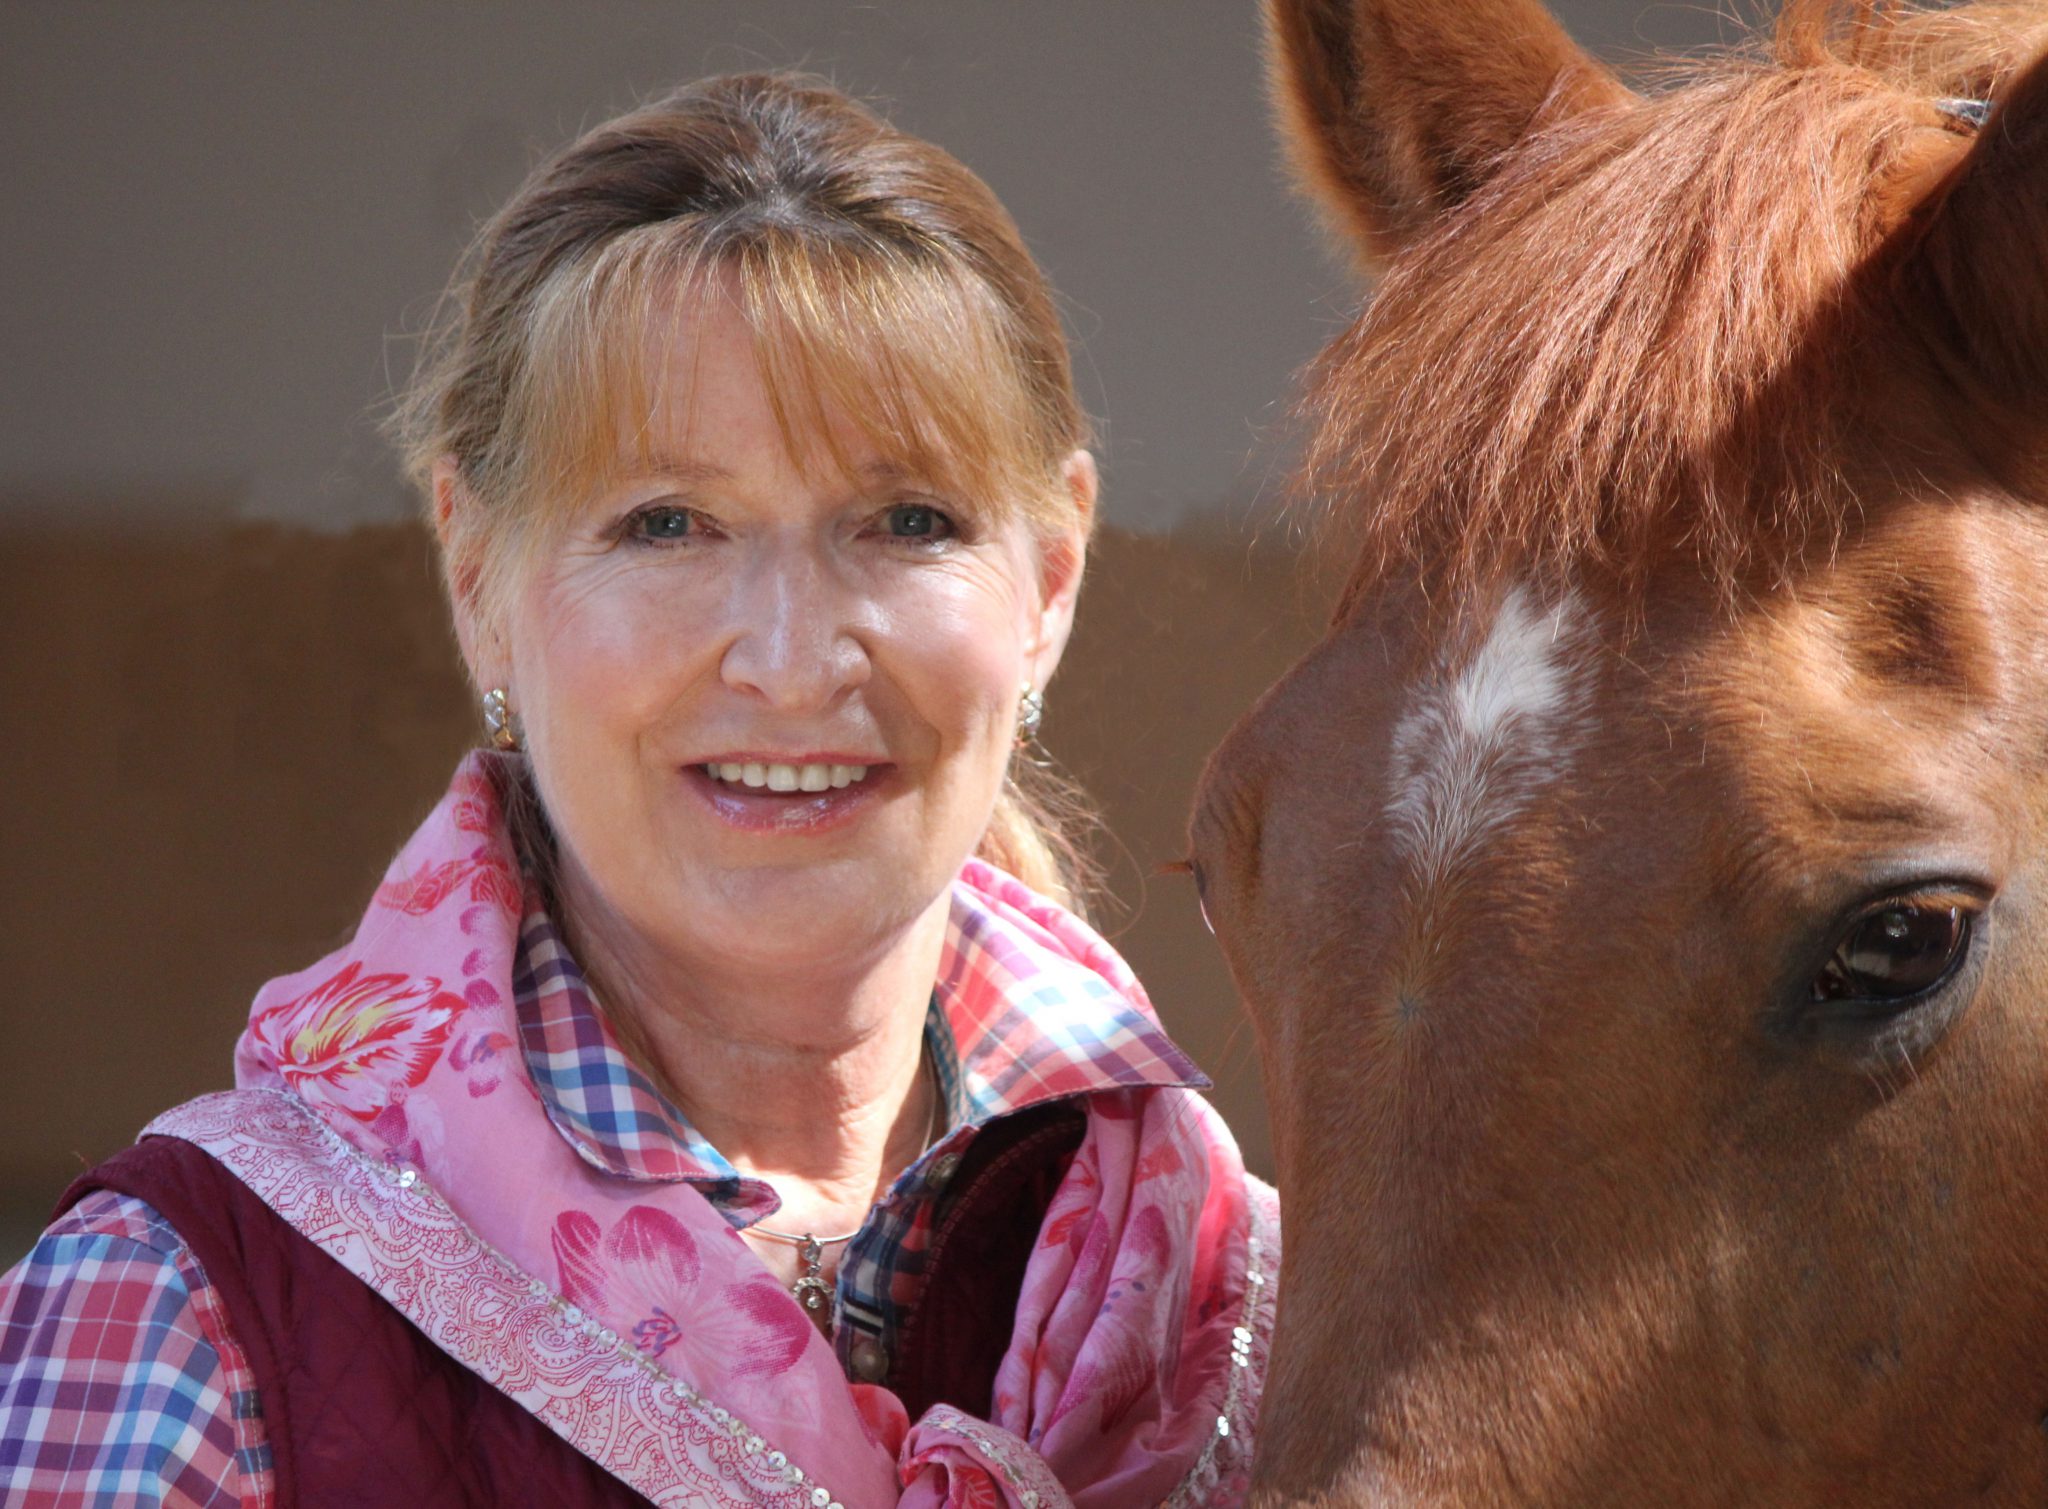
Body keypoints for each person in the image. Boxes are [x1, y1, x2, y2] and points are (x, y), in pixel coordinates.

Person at [0, 74, 1277, 1508]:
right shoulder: (191, 1312)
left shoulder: (1265, 1327)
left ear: (1050, 582)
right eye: (668, 523)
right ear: (478, 576)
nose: (792, 662)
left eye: (908, 520)